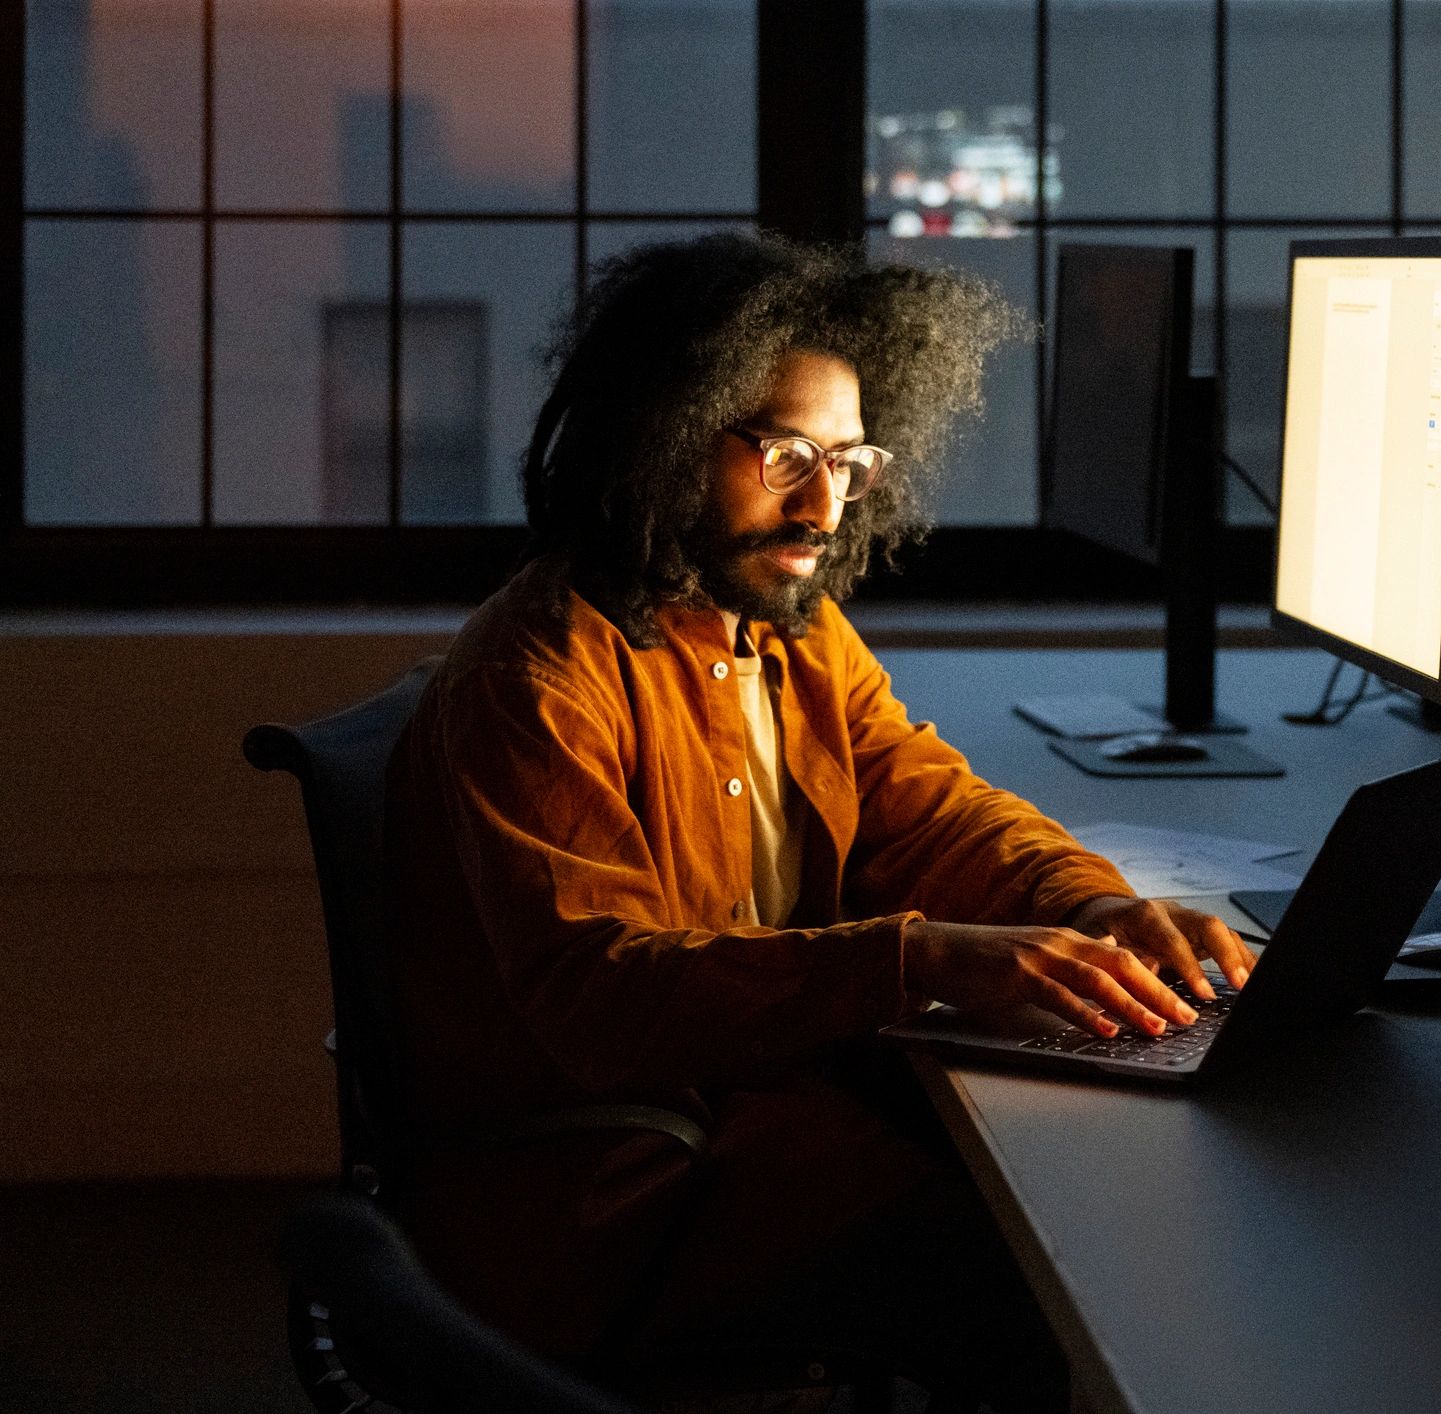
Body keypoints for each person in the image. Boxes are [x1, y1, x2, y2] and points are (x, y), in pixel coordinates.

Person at [384, 233, 1256, 1411]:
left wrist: (1088, 903)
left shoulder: (790, 628)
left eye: (850, 460)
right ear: (665, 428)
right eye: (788, 454)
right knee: (1068, 1261)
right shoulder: (542, 674)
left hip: (765, 1109)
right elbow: (604, 991)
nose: (827, 502)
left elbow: (934, 810)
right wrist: (926, 957)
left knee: (1099, 1178)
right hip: (618, 1188)